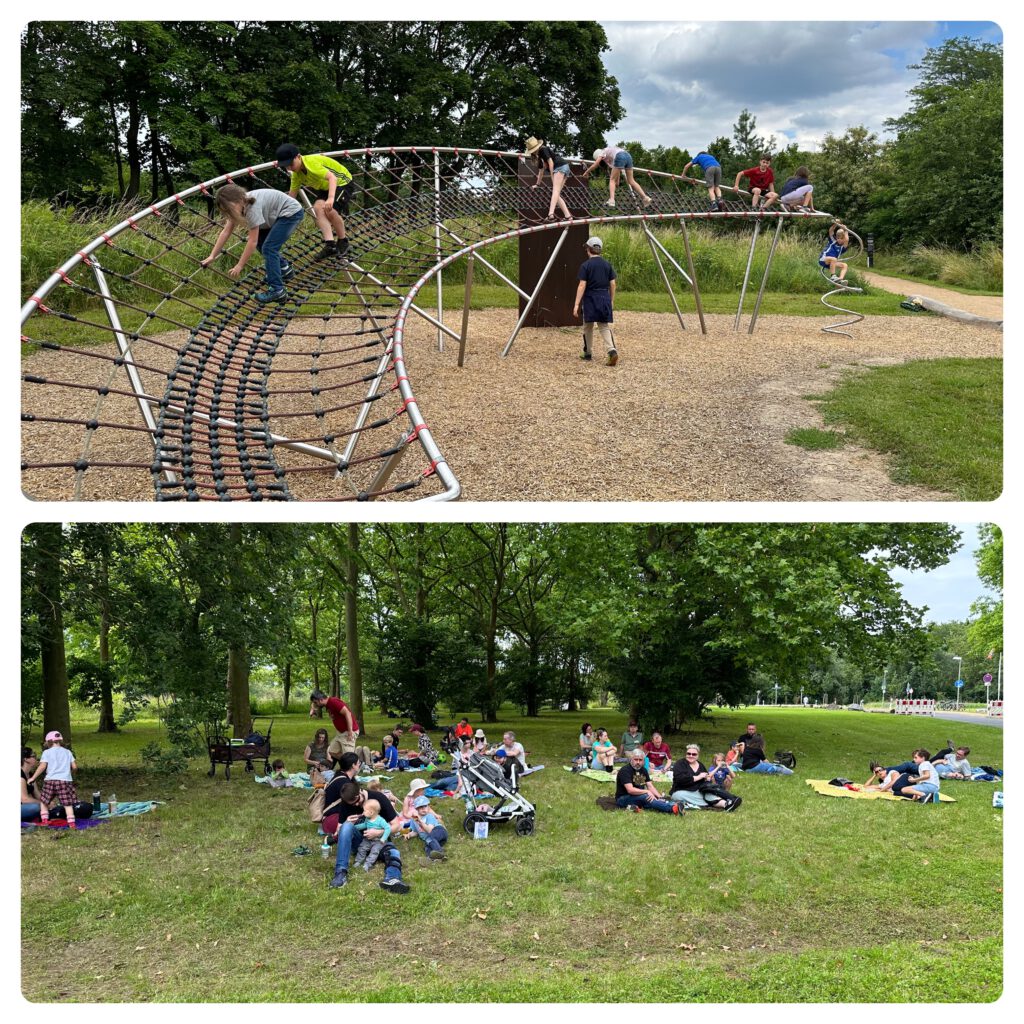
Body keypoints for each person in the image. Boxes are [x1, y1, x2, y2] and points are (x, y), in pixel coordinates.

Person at [200, 183, 304, 303]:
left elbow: (252, 241)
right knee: (262, 243)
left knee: (269, 248)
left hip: (290, 213)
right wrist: (212, 256)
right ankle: (284, 269)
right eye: (226, 210)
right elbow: (226, 232)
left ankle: (277, 291)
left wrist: (239, 265)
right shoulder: (240, 206)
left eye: (229, 208)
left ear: (238, 200)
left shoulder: (252, 208)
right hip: (275, 216)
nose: (229, 212)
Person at [324, 758, 409, 893]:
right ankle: (340, 873)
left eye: (358, 802)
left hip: (379, 841)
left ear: (360, 792)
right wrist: (347, 823)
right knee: (346, 826)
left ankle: (393, 879)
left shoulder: (378, 799)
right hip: (360, 842)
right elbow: (339, 830)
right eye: (352, 804)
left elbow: (397, 826)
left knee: (394, 853)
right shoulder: (347, 802)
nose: (356, 806)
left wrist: (378, 832)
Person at [275, 143, 352, 260]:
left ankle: (343, 241)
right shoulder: (296, 175)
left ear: (298, 157)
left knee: (330, 210)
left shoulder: (311, 164)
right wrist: (281, 213)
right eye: (286, 166)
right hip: (325, 187)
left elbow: (333, 178)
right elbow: (292, 196)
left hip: (342, 182)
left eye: (291, 164)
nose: (290, 168)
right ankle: (330, 245)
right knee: (317, 208)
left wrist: (331, 198)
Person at [573, 236, 618, 366]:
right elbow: (613, 284)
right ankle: (611, 350)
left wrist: (576, 304)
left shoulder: (585, 265)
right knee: (604, 326)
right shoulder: (607, 265)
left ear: (588, 249)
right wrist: (611, 299)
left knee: (588, 326)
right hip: (604, 297)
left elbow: (582, 285)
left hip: (590, 298)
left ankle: (587, 352)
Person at [26, 731, 79, 827]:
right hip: (65, 781)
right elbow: (75, 767)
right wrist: (68, 773)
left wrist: (33, 778)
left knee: (44, 801)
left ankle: (45, 821)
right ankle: (71, 823)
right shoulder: (68, 752)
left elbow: (42, 766)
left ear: (49, 741)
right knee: (67, 804)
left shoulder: (47, 752)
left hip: (50, 781)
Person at [582, 145, 652, 209]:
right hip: (628, 156)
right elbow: (617, 169)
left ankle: (612, 200)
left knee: (611, 180)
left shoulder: (602, 152)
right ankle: (645, 197)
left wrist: (586, 172)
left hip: (620, 156)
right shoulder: (611, 154)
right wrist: (617, 182)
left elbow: (595, 164)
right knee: (631, 181)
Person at [670, 745, 736, 810]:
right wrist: (698, 777)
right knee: (679, 795)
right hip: (682, 790)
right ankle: (722, 802)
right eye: (689, 753)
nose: (691, 756)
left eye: (694, 754)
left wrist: (707, 779)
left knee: (707, 793)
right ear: (686, 754)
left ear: (698, 755)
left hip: (699, 790)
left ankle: (727, 804)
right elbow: (680, 780)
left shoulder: (700, 765)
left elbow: (706, 781)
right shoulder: (680, 764)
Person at [616, 749, 681, 814]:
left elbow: (650, 786)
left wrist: (660, 797)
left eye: (640, 760)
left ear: (643, 761)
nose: (638, 762)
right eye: (636, 759)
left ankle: (673, 805)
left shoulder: (643, 770)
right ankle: (672, 809)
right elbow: (630, 790)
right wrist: (647, 791)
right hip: (623, 798)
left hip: (639, 796)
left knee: (652, 797)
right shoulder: (625, 770)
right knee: (647, 797)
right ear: (631, 759)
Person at [526, 136, 571, 222]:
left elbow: (551, 163)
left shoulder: (543, 149)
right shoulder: (539, 156)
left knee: (555, 191)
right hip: (563, 167)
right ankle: (568, 216)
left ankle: (550, 213)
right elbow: (541, 171)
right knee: (556, 195)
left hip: (560, 167)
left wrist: (552, 176)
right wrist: (537, 184)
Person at [353, 798, 393, 870]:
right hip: (368, 839)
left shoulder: (380, 820)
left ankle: (368, 864)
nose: (363, 812)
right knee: (362, 848)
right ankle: (358, 861)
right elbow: (365, 825)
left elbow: (388, 828)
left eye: (365, 811)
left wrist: (383, 838)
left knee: (374, 851)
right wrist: (355, 827)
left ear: (371, 812)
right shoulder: (367, 819)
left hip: (378, 841)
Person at [406, 794, 449, 861]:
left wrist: (420, 822)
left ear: (428, 807)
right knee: (427, 848)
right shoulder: (414, 819)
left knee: (429, 838)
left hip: (439, 831)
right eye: (420, 807)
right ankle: (433, 859)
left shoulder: (429, 816)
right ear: (416, 809)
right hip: (434, 841)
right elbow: (415, 832)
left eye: (425, 806)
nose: (423, 809)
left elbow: (430, 830)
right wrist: (409, 834)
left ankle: (440, 853)